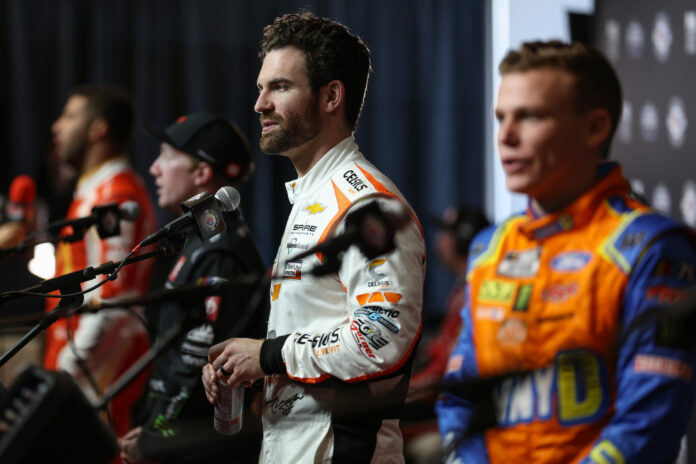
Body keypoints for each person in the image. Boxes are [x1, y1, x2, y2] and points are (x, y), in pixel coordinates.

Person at [436, 40, 696, 463]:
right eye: (501, 117)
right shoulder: (489, 249)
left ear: (595, 128)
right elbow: (460, 394)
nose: (506, 136)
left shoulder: (651, 247)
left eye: (530, 116)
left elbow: (648, 423)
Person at [201, 12, 426, 463]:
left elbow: (382, 336)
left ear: (331, 96)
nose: (259, 104)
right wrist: (249, 371)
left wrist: (267, 356)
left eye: (279, 87)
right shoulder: (314, 197)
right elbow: (315, 342)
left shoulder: (366, 204)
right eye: (261, 88)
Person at [117, 112, 267, 464]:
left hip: (197, 450)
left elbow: (200, 369)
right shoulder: (205, 242)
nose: (154, 168)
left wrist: (157, 439)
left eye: (167, 156)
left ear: (201, 174)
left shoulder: (220, 253)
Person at [43, 84, 157, 440]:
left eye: (70, 116)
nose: (57, 126)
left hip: (97, 369)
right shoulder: (96, 190)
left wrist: (67, 373)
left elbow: (113, 296)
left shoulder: (115, 195)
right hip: (80, 361)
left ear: (98, 129)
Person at [401, 206, 489, 464]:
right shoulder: (461, 290)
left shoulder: (472, 294)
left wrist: (403, 390)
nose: (439, 241)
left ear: (462, 239)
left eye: (446, 234)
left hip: (454, 408)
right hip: (440, 399)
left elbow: (447, 371)